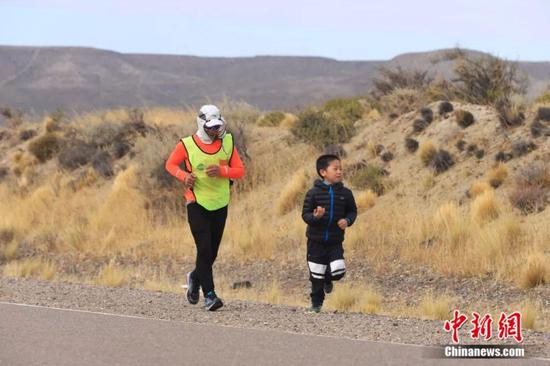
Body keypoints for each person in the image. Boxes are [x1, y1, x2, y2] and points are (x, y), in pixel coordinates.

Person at [165, 104, 245, 311]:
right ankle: (209, 295)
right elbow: (170, 165)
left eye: (218, 125)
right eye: (211, 126)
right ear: (201, 124)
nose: (215, 130)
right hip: (196, 202)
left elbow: (239, 170)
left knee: (212, 254)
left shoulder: (227, 141)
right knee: (204, 248)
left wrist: (222, 170)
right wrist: (184, 176)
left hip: (220, 202)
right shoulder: (187, 144)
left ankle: (194, 276)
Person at [301, 154, 357, 313]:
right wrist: (315, 217)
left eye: (341, 169)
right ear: (323, 172)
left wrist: (347, 221)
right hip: (315, 241)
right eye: (335, 169)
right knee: (316, 276)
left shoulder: (346, 194)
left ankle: (329, 279)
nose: (339, 172)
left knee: (339, 271)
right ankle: (316, 305)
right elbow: (305, 215)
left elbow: (353, 211)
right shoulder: (313, 193)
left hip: (335, 241)